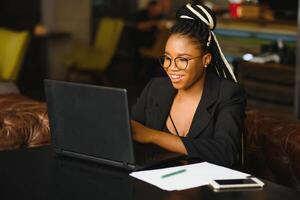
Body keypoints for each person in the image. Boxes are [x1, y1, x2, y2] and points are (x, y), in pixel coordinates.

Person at [130, 2, 246, 167]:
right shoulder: (155, 88)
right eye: (167, 58)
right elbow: (129, 133)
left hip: (204, 190)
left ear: (206, 60)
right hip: (155, 185)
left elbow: (225, 152)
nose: (171, 67)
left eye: (183, 59)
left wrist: (152, 135)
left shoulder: (228, 93)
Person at [131, 0, 164, 80]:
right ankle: (138, 78)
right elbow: (139, 26)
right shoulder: (141, 14)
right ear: (149, 8)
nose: (154, 11)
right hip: (139, 42)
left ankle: (152, 77)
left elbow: (163, 26)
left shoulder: (161, 16)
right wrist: (153, 23)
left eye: (156, 9)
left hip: (155, 43)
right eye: (153, 9)